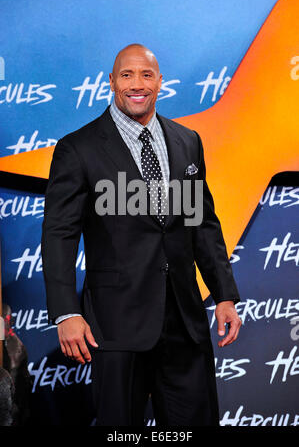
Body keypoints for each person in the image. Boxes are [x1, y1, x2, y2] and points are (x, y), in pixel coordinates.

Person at [41, 44, 241, 426]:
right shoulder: (77, 148)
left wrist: (225, 294)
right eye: (127, 75)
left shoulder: (187, 141)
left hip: (184, 319)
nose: (137, 84)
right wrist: (66, 311)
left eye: (146, 75)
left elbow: (202, 223)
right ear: (112, 81)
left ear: (160, 82)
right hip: (116, 324)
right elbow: (58, 236)